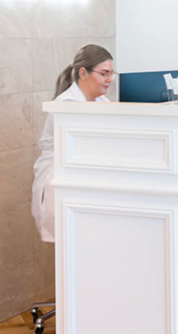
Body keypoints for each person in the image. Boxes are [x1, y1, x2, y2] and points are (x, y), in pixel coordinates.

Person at [31, 43, 115, 243]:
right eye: (104, 74)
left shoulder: (102, 102)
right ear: (83, 73)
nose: (109, 79)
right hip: (59, 185)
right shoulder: (67, 105)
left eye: (112, 73)